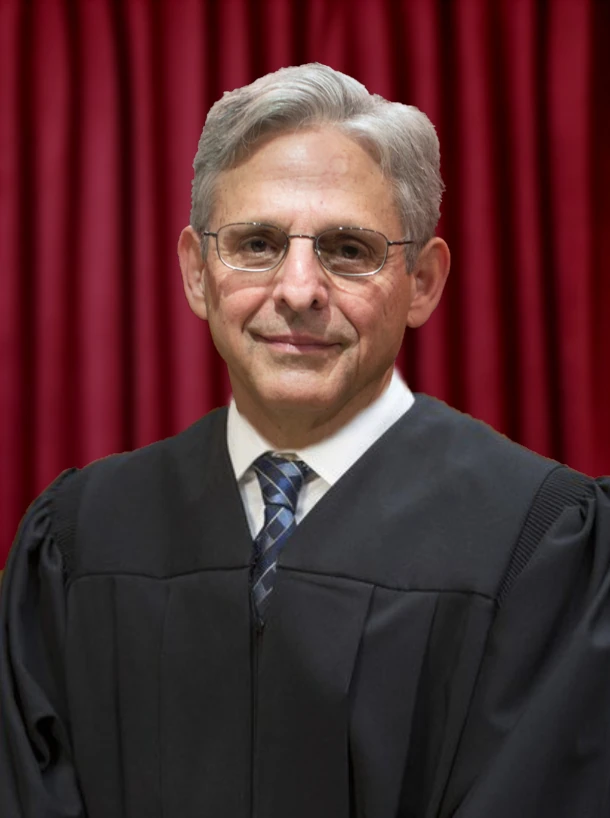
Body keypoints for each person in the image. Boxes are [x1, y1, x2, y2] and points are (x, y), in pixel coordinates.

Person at [1, 63, 609, 818]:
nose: (298, 290)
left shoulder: (539, 544)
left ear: (422, 281)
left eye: (348, 249)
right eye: (256, 243)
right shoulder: (83, 538)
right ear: (197, 273)